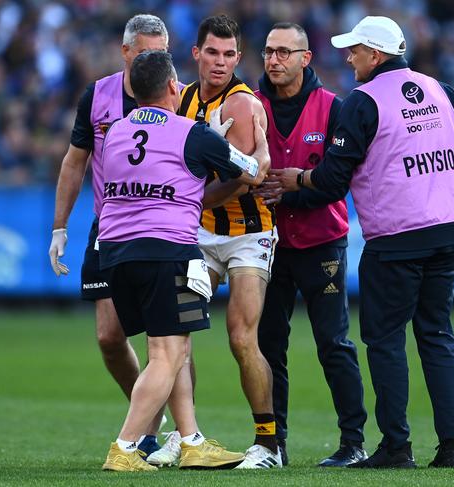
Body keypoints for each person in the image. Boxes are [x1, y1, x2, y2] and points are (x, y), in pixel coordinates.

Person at [270, 15, 454, 469]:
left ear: (377, 54)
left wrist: (297, 178)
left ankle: (396, 447)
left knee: (385, 339)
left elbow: (330, 182)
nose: (349, 57)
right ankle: (453, 448)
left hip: (397, 237)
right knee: (437, 334)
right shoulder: (440, 89)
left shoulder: (362, 103)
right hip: (449, 229)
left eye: (356, 50)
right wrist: (446, 197)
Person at [97, 50, 269, 472]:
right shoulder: (190, 132)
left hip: (116, 253)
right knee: (167, 355)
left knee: (175, 347)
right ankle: (125, 447)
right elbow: (250, 171)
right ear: (174, 85)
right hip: (166, 251)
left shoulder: (117, 130)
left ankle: (191, 441)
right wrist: (259, 144)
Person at [48, 14, 169, 457]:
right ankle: (153, 420)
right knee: (109, 337)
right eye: (144, 54)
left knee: (168, 337)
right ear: (125, 52)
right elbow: (75, 161)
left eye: (160, 54)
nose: (152, 62)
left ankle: (157, 435)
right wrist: (60, 226)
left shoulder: (179, 95)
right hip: (111, 227)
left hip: (163, 226)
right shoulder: (97, 96)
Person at [253, 22, 368, 468]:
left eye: (284, 52)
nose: (274, 60)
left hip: (322, 243)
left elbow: (338, 184)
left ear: (305, 58)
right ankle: (272, 443)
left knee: (333, 344)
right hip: (267, 244)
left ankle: (353, 442)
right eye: (268, 51)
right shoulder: (250, 105)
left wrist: (290, 191)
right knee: (268, 345)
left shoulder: (333, 108)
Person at [175, 14, 282, 469]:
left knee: (241, 337)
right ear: (197, 53)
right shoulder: (182, 99)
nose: (220, 63)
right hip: (201, 232)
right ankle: (187, 436)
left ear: (238, 58)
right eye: (212, 53)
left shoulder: (240, 105)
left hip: (247, 233)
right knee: (172, 332)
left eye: (229, 54)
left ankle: (268, 444)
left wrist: (187, 198)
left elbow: (243, 181)